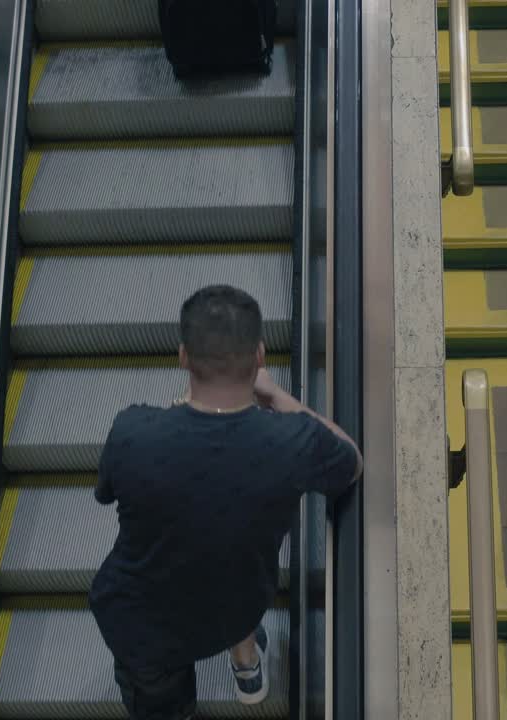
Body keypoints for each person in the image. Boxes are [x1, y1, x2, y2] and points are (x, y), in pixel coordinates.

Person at [88, 285, 362, 720]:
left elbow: (110, 494)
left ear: (183, 356)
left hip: (143, 623)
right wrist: (277, 397)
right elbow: (351, 461)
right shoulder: (291, 443)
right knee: (230, 548)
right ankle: (246, 660)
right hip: (235, 604)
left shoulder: (132, 432)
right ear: (259, 356)